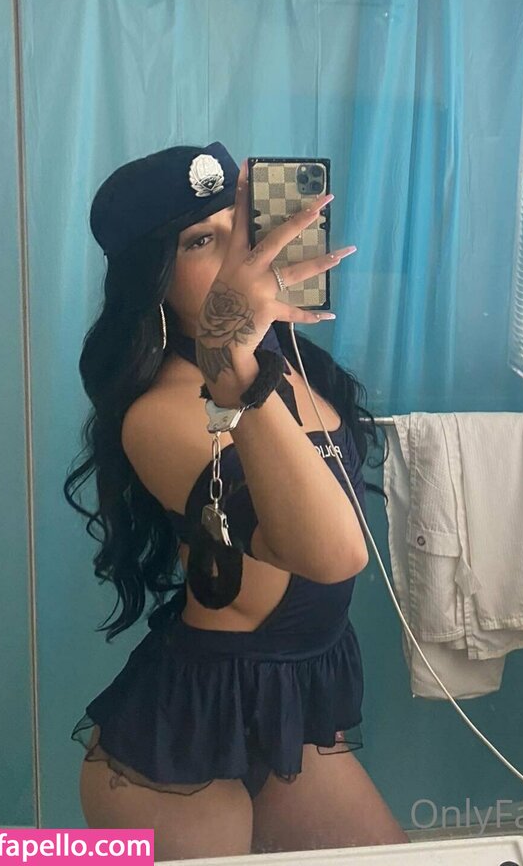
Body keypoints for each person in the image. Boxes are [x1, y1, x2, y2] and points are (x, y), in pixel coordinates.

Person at [64, 142, 409, 859]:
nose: (236, 257)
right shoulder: (159, 415)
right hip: (182, 741)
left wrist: (243, 357)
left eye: (241, 228)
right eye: (201, 241)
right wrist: (231, 370)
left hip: (292, 701)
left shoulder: (289, 363)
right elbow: (331, 553)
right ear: (153, 280)